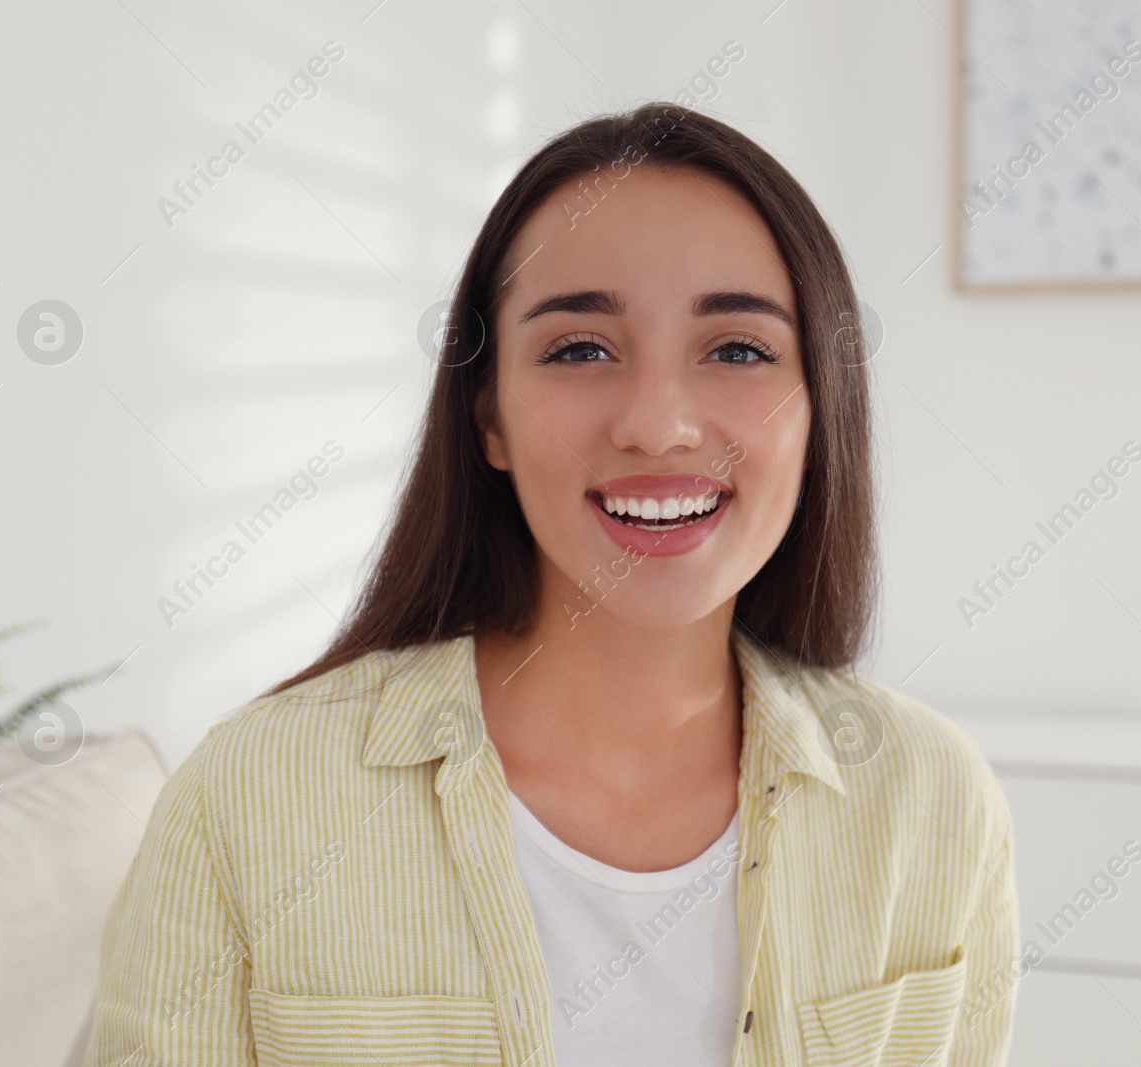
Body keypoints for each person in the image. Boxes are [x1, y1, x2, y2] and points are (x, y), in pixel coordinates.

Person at [83, 101, 1018, 1067]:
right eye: (580, 349)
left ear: (821, 407)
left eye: (738, 349)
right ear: (489, 418)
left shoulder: (931, 800)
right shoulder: (248, 799)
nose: (657, 425)